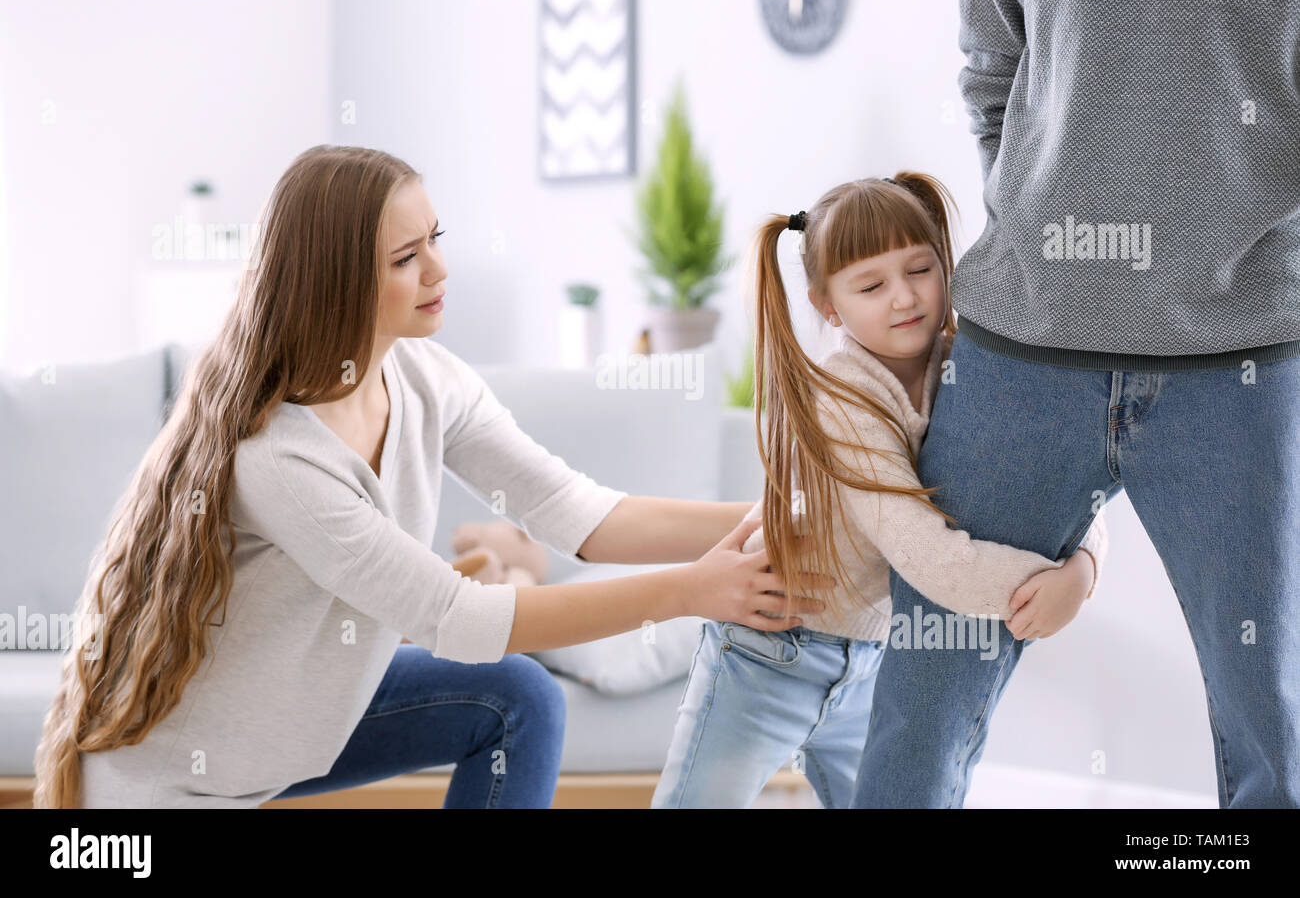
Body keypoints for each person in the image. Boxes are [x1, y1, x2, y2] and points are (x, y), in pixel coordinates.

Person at [32, 144, 831, 809]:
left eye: (435, 239)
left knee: (519, 698)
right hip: (165, 795)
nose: (440, 270)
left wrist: (786, 513)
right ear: (337, 281)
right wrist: (691, 590)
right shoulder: (277, 458)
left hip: (287, 741)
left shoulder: (424, 379)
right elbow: (460, 618)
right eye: (407, 259)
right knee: (500, 667)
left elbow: (576, 513)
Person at [852, 0, 1300, 808]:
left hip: (1242, 356)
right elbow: (993, 69)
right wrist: (1042, 241)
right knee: (918, 717)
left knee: (1271, 728)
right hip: (1018, 350)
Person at [652, 172, 1108, 808]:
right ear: (828, 306)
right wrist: (1045, 587)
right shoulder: (842, 399)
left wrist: (1083, 567)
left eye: (920, 269)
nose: (903, 298)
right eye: (871, 285)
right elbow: (931, 559)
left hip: (867, 657)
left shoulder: (967, 363)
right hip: (764, 653)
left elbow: (1058, 474)